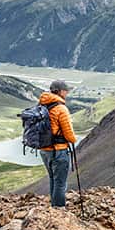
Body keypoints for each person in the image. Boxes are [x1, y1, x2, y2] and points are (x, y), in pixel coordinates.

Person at [38, 80, 77, 208]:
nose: (67, 93)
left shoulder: (41, 105)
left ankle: (53, 208)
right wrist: (73, 140)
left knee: (52, 178)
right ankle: (59, 210)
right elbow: (69, 134)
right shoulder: (61, 108)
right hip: (58, 150)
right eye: (66, 90)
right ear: (60, 91)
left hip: (44, 150)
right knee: (60, 183)